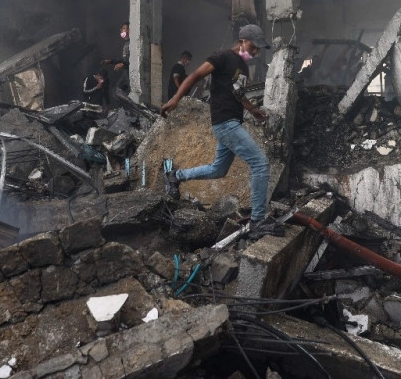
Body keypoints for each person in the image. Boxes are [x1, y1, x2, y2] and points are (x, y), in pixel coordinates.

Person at [159, 24, 283, 239]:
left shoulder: (242, 67)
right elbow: (195, 75)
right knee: (260, 163)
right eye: (253, 47)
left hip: (233, 120)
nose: (255, 52)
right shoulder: (222, 56)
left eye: (258, 50)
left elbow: (238, 93)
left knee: (218, 169)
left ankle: (174, 176)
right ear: (242, 41)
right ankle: (258, 222)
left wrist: (252, 110)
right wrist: (175, 99)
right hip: (225, 122)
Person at [102, 21, 130, 94]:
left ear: (129, 30)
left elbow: (134, 59)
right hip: (126, 71)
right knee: (116, 90)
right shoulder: (126, 43)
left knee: (130, 91)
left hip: (130, 72)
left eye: (124, 28)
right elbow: (124, 59)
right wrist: (110, 61)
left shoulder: (132, 43)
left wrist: (123, 64)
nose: (121, 30)